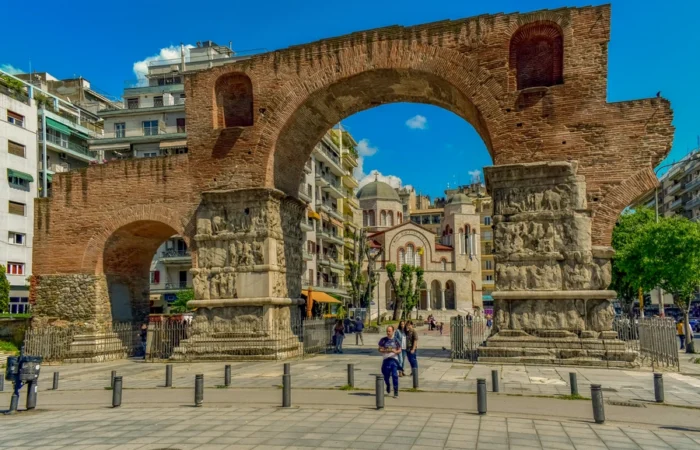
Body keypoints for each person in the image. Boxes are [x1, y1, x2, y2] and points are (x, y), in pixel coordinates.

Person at [378, 326, 402, 398]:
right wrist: (385, 350)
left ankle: (396, 391)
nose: (388, 333)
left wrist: (395, 351)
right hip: (386, 359)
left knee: (395, 375)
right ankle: (388, 385)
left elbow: (400, 350)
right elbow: (379, 349)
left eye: (389, 331)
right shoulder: (383, 340)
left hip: (394, 359)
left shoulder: (396, 340)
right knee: (386, 376)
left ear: (393, 331)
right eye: (387, 331)